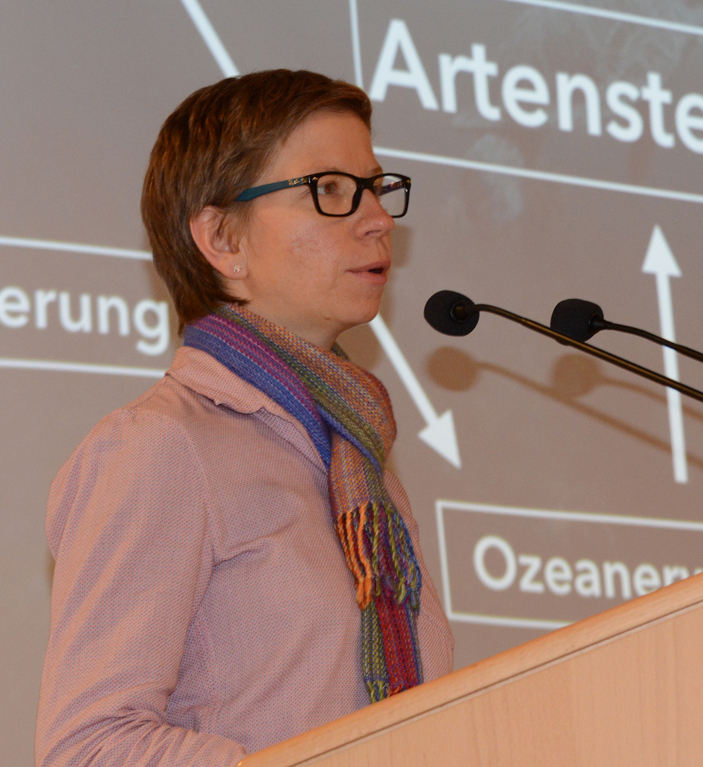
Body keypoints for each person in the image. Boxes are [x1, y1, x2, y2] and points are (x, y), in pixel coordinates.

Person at [36, 70, 454, 767]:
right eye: (330, 190)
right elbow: (89, 747)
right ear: (222, 239)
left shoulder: (355, 463)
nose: (378, 218)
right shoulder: (161, 445)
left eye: (376, 187)